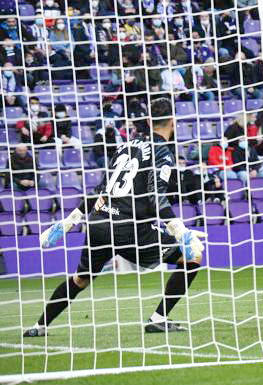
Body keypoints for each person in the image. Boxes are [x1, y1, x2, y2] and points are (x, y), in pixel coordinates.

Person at [24, 98, 207, 336]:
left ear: (149, 121)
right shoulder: (162, 152)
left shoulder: (125, 146)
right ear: (173, 122)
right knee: (192, 258)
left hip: (100, 223)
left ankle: (39, 327)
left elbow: (101, 191)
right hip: (129, 228)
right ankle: (158, 318)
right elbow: (155, 197)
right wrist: (180, 230)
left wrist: (68, 222)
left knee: (80, 279)